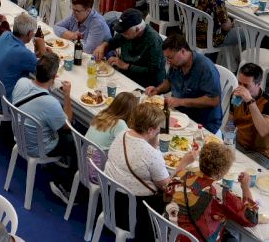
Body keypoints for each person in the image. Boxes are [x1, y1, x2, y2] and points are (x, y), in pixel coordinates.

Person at [103, 101, 197, 242]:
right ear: (150, 130)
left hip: (111, 199)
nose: (160, 129)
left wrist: (153, 138)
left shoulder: (122, 134)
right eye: (159, 127)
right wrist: (183, 163)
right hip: (134, 212)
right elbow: (167, 186)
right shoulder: (151, 155)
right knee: (180, 198)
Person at [10, 52, 76, 202]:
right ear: (54, 77)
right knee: (75, 140)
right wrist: (67, 96)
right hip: (39, 148)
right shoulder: (50, 103)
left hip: (19, 136)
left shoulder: (22, 82)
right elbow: (67, 126)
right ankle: (66, 185)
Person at [166, 142, 259, 242]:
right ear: (221, 172)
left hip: (170, 235)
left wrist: (183, 162)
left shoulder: (182, 175)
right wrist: (245, 187)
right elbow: (251, 219)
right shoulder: (220, 193)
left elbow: (169, 185)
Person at [146, 33, 224, 132]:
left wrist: (180, 102)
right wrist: (157, 90)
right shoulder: (177, 63)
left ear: (183, 51)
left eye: (170, 57)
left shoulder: (205, 68)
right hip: (180, 113)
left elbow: (214, 100)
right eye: (167, 58)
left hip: (202, 122)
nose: (168, 61)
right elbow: (169, 81)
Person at [0, 12, 45, 106]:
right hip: (3, 102)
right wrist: (43, 49)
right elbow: (45, 72)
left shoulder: (5, 35)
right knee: (42, 94)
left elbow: (19, 58)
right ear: (29, 34)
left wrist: (35, 55)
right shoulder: (23, 53)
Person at [94, 10, 165, 89]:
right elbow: (113, 41)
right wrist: (102, 46)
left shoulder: (153, 41)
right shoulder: (126, 33)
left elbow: (153, 71)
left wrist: (125, 65)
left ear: (137, 30)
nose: (122, 34)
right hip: (125, 74)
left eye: (125, 33)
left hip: (146, 84)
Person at [228, 63, 269, 164]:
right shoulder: (236, 95)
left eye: (246, 85)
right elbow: (231, 122)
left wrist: (250, 101)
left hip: (261, 153)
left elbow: (263, 131)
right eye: (239, 83)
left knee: (242, 171)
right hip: (239, 143)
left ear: (258, 84)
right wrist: (227, 140)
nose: (241, 88)